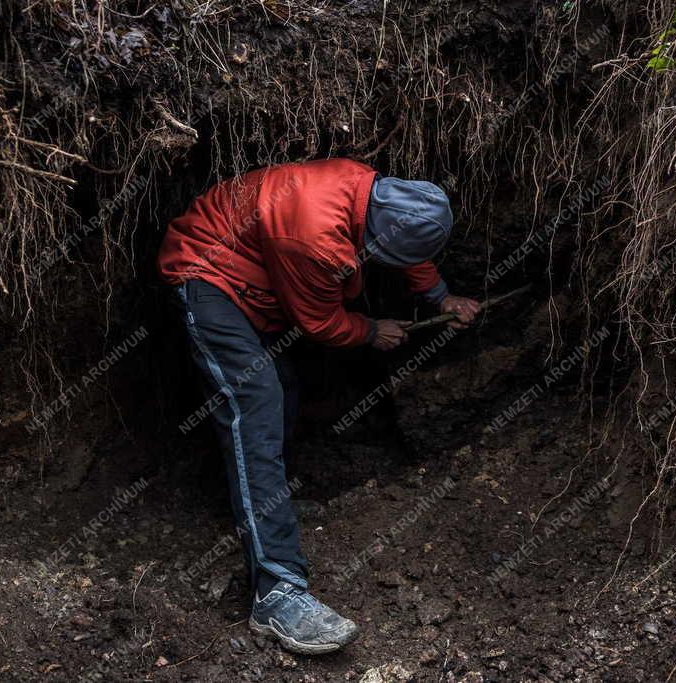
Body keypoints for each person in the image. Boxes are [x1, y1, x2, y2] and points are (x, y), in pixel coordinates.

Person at [158, 158, 480, 654]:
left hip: (255, 277)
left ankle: (269, 507)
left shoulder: (375, 192)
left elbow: (406, 238)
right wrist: (370, 330)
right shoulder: (312, 236)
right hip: (209, 275)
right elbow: (319, 323)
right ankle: (276, 591)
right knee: (256, 399)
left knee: (280, 388)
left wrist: (441, 297)